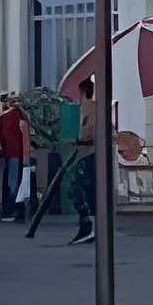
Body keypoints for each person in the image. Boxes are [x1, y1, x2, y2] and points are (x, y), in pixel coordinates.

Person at [67, 75, 96, 246]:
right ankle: (88, 224)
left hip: (91, 154)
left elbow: (91, 135)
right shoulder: (86, 109)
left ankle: (87, 223)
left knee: (79, 187)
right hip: (87, 154)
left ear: (84, 92)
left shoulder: (91, 109)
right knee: (85, 189)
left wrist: (76, 141)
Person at [0, 92, 30, 220]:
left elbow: (1, 138)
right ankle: (14, 208)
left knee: (12, 182)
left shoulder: (3, 118)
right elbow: (25, 139)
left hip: (10, 153)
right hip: (19, 154)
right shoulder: (23, 118)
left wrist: (4, 152)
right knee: (17, 182)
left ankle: (9, 208)